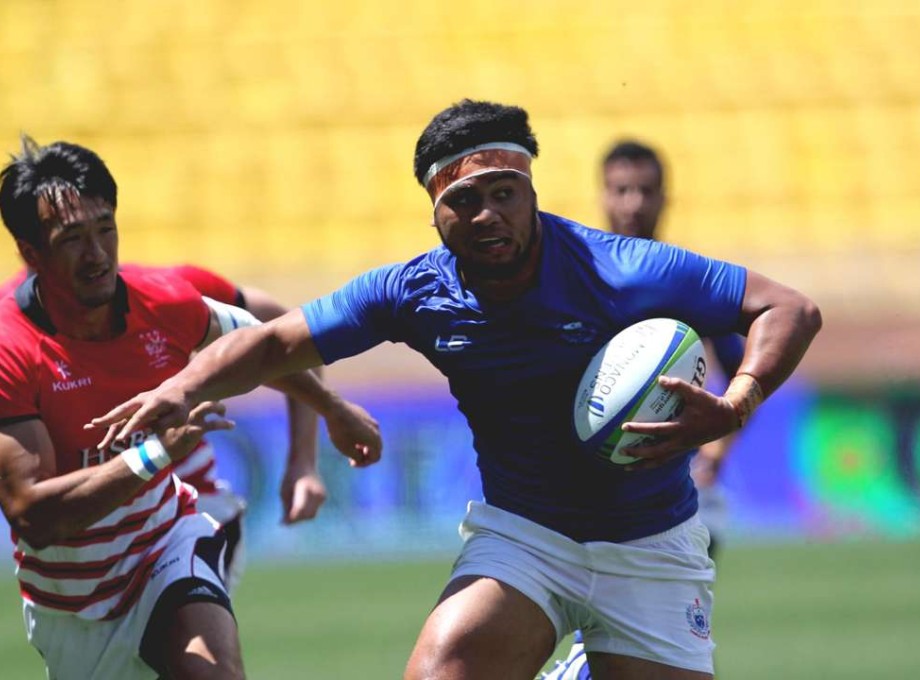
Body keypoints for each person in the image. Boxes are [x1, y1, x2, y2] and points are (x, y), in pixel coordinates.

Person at [91, 100, 822, 680]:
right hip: (526, 536)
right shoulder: (414, 292)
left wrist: (739, 401)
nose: (487, 215)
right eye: (464, 200)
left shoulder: (622, 268)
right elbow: (280, 340)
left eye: (505, 194)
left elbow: (789, 307)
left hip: (651, 544)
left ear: (532, 192)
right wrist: (183, 387)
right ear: (435, 212)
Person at [0, 137, 381, 679]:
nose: (98, 254)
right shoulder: (10, 348)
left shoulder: (168, 299)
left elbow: (272, 342)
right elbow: (35, 518)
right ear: (31, 252)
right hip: (69, 602)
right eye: (73, 239)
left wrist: (332, 413)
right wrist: (154, 454)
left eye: (106, 228)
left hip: (169, 540)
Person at [542, 140, 750, 679]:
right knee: (637, 632)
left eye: (645, 190)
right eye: (621, 190)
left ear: (665, 197)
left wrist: (718, 448)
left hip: (685, 490)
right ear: (603, 195)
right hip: (598, 488)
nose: (633, 203)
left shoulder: (689, 283)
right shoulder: (578, 281)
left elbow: (742, 370)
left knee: (668, 627)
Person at [1, 263, 331, 591]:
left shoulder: (166, 293)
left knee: (188, 628)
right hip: (82, 553)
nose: (90, 248)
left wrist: (303, 461)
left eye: (100, 225)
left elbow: (288, 338)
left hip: (191, 517)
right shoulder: (8, 331)